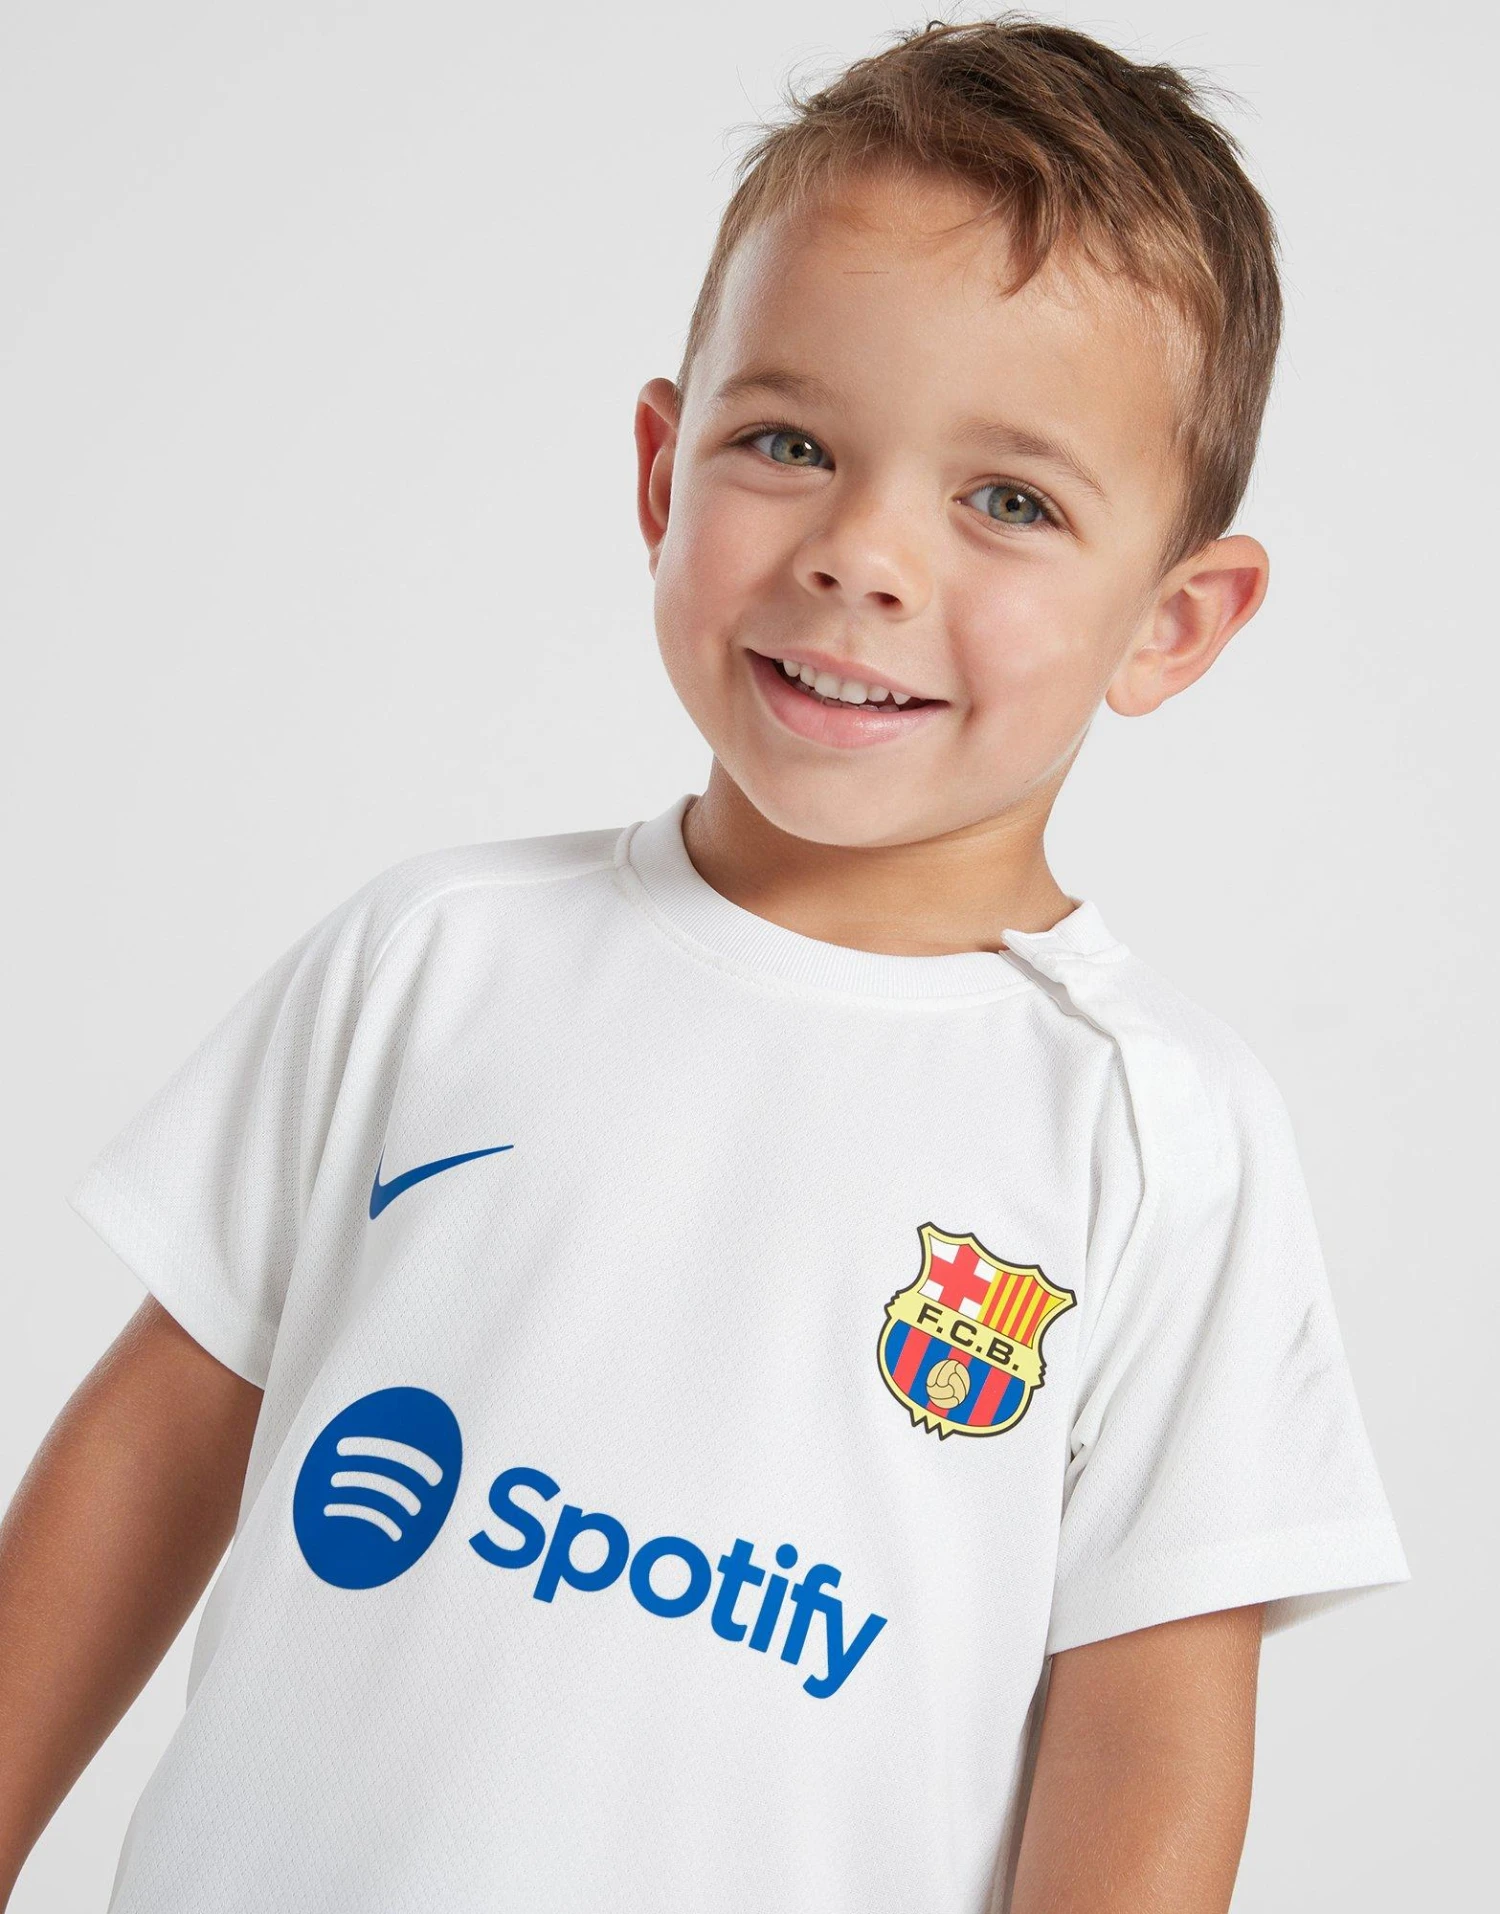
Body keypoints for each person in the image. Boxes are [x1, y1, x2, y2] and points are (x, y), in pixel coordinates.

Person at [0, 14, 1408, 1913]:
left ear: (1173, 621)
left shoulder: (1156, 1134)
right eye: (790, 443)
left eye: (1008, 499)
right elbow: (150, 1451)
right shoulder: (433, 961)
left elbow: (1150, 1723)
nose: (863, 554)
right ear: (664, 471)